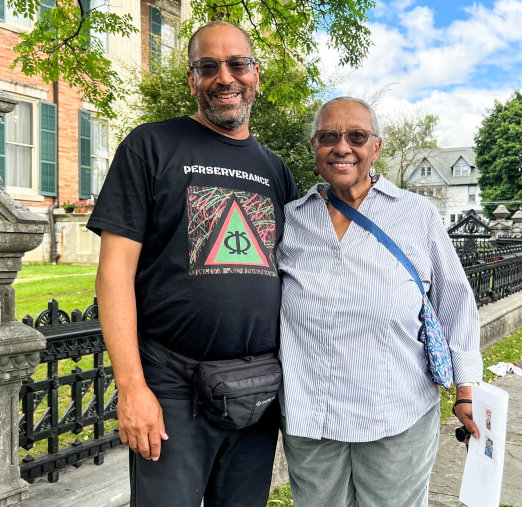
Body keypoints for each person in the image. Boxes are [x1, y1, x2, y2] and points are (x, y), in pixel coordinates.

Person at [87, 21, 299, 507]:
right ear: (192, 80)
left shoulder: (275, 170)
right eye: (208, 66)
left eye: (237, 64)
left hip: (258, 392)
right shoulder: (150, 147)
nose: (224, 77)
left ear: (256, 75)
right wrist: (131, 386)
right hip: (170, 389)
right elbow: (113, 272)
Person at [277, 96, 482, 506]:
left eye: (356, 136)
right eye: (328, 136)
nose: (342, 147)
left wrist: (466, 390)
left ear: (376, 147)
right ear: (314, 147)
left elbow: (456, 301)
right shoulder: (291, 219)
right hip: (311, 415)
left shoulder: (416, 214)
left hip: (396, 413)